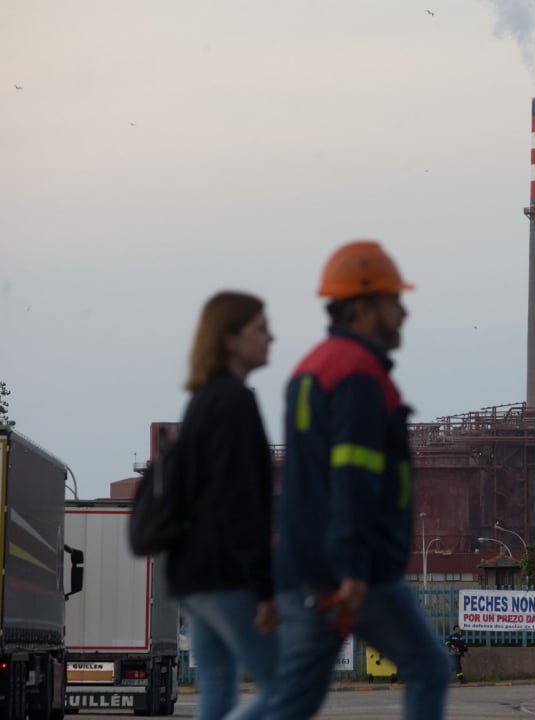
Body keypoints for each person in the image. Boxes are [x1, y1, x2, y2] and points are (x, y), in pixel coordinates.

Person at [269, 240, 450, 720]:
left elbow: (305, 483)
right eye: (396, 301)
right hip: (353, 571)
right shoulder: (359, 375)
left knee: (294, 701)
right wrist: (352, 570)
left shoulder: (308, 369)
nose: (404, 313)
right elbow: (352, 478)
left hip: (304, 564)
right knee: (430, 668)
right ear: (365, 307)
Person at [166, 291, 278, 720]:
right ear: (230, 338)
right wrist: (264, 590)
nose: (272, 337)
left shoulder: (202, 400)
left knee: (217, 692)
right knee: (286, 687)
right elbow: (242, 505)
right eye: (261, 328)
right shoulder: (234, 401)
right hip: (226, 575)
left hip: (191, 576)